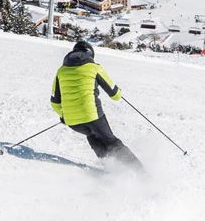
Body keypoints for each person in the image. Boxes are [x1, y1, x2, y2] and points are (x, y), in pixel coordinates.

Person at [50, 40, 142, 169]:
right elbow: (115, 94)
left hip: (72, 121)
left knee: (92, 136)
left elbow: (54, 102)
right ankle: (141, 174)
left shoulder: (61, 70)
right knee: (112, 142)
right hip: (92, 115)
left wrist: (63, 116)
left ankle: (111, 168)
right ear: (90, 54)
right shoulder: (94, 67)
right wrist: (119, 92)